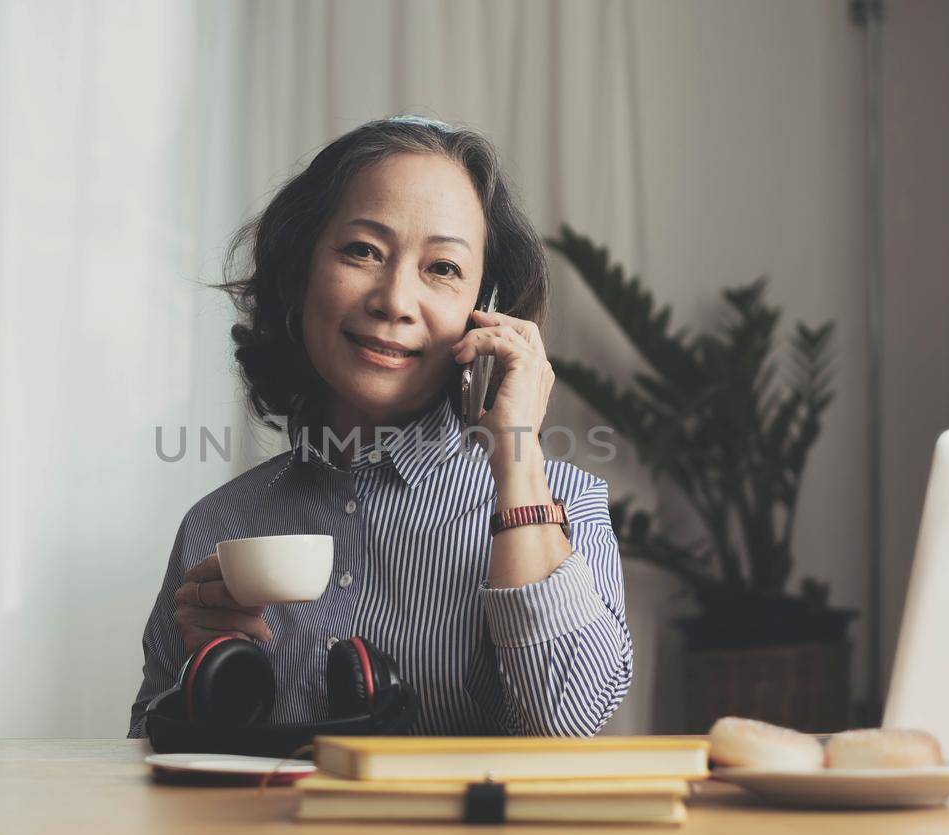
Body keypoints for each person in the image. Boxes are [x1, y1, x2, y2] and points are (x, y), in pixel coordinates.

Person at [128, 115, 632, 737]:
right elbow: (148, 764)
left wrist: (518, 459)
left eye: (442, 268)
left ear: (485, 314)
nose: (394, 300)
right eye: (362, 251)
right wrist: (199, 679)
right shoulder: (217, 525)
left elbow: (567, 724)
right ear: (300, 273)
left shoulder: (566, 505)